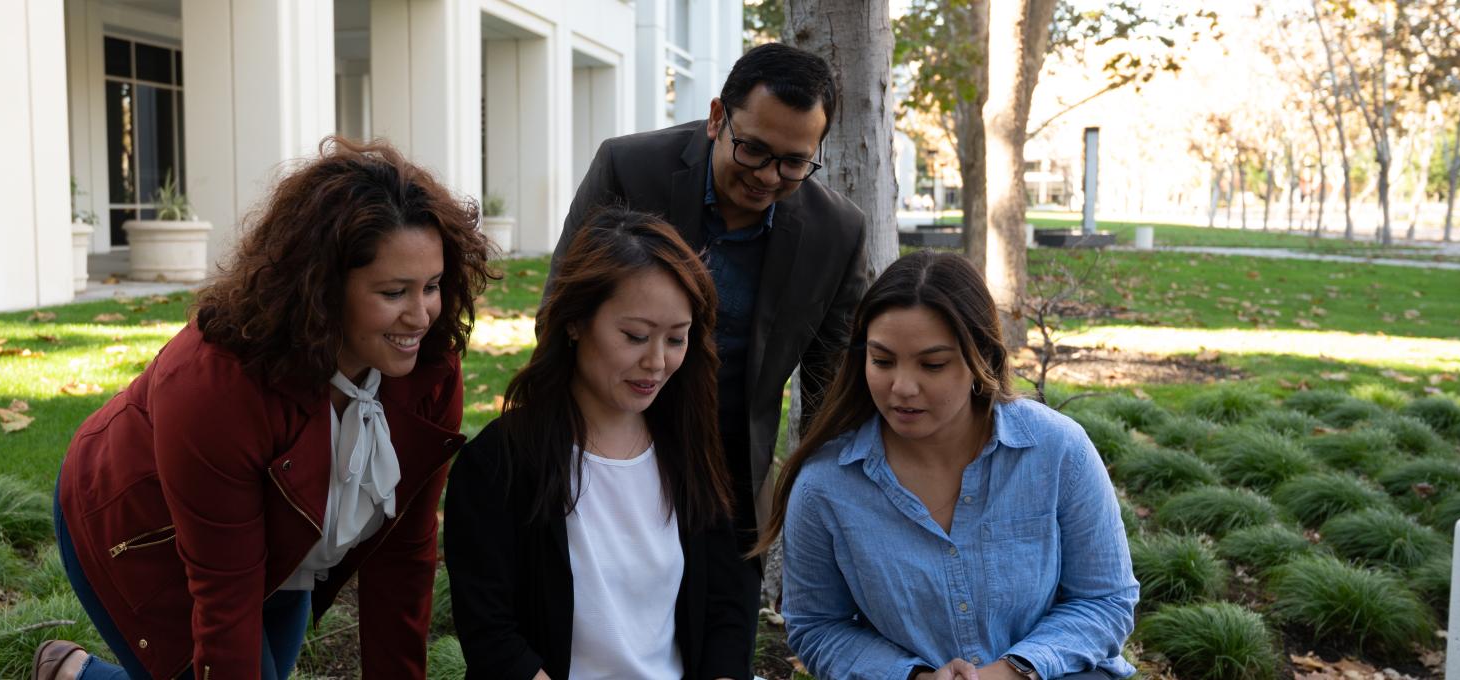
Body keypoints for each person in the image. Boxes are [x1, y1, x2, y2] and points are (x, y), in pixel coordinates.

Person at [35, 137, 495, 680]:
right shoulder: (216, 387)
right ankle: (71, 674)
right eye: (394, 292)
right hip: (141, 532)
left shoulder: (430, 373)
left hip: (279, 548)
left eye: (432, 286)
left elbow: (403, 556)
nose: (421, 317)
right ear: (322, 288)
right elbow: (224, 601)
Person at [546, 42, 869, 563]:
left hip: (733, 478)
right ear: (718, 117)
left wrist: (823, 506)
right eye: (754, 149)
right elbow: (560, 310)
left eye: (794, 162)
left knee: (724, 612)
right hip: (602, 454)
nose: (768, 176)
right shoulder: (629, 170)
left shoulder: (837, 232)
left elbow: (829, 387)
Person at [756, 251, 1138, 680]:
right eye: (882, 361)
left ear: (980, 359)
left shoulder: (1058, 449)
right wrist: (913, 677)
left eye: (932, 364)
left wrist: (1011, 671)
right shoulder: (825, 484)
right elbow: (817, 627)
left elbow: (1106, 600)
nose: (902, 387)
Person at [445, 208, 756, 680]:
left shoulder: (687, 445)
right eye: (635, 336)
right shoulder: (498, 463)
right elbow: (491, 635)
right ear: (575, 322)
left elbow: (726, 605)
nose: (656, 362)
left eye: (676, 339)